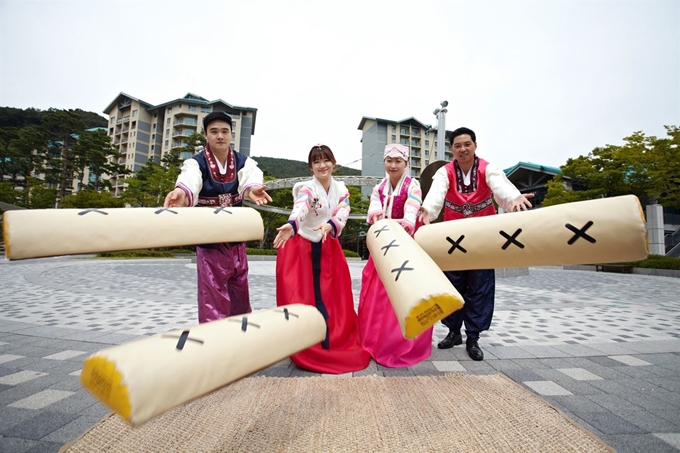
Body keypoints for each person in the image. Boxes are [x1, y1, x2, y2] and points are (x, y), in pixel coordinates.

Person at [418, 127, 533, 361]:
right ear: (452, 149)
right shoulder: (445, 172)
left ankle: (473, 337)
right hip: (454, 238)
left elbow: (501, 188)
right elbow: (436, 194)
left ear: (475, 146)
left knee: (480, 287)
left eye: (467, 144)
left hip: (482, 238)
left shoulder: (487, 168)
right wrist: (427, 209)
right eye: (458, 145)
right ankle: (453, 332)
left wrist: (514, 198)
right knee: (452, 285)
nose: (463, 149)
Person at [163, 111, 271, 323]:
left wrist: (252, 191)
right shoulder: (196, 164)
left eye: (224, 131)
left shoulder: (244, 162)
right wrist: (181, 195)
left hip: (235, 237)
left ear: (231, 134)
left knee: (240, 291)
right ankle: (215, 344)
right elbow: (189, 182)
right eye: (214, 131)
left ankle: (241, 337)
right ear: (206, 135)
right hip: (210, 239)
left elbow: (250, 181)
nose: (220, 136)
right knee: (212, 294)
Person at [273, 144, 370, 374]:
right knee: (302, 294)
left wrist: (331, 224)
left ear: (333, 163)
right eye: (316, 162)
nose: (322, 165)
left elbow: (343, 211)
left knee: (335, 293)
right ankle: (307, 340)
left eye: (326, 160)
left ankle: (334, 336)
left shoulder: (340, 189)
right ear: (311, 167)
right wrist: (292, 224)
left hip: (328, 243)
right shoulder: (307, 188)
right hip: (301, 246)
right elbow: (302, 206)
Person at [357, 144, 432, 367]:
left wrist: (406, 224)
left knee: (405, 291)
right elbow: (374, 210)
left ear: (406, 163)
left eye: (398, 161)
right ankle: (375, 340)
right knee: (377, 293)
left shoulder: (413, 185)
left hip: (406, 244)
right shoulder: (379, 187)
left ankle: (403, 343)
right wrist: (379, 221)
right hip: (384, 245)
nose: (393, 165)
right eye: (389, 161)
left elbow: (412, 207)